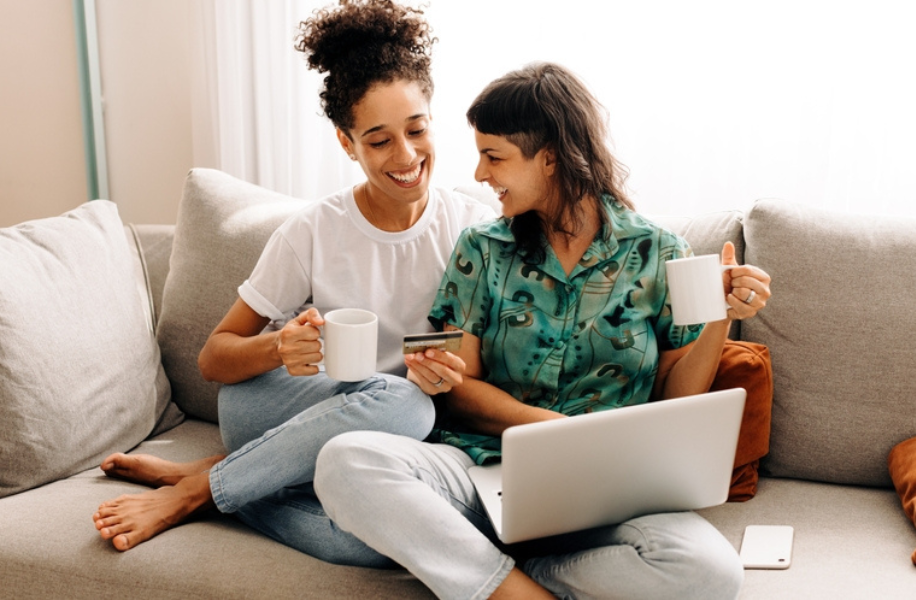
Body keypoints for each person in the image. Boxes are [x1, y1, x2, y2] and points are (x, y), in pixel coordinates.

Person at [313, 62, 772, 599]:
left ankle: (495, 572)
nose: (480, 174)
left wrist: (720, 318)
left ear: (550, 156)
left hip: (606, 489)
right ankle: (509, 591)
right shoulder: (481, 249)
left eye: (494, 156)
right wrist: (555, 430)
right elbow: (461, 393)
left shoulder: (657, 252)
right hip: (484, 470)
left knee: (711, 573)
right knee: (346, 460)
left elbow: (677, 395)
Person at [91, 0, 491, 560]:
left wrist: (458, 373)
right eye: (378, 140)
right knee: (408, 406)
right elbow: (214, 358)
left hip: (379, 436)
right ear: (346, 143)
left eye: (417, 129)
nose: (406, 155)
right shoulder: (314, 230)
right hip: (279, 408)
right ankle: (202, 490)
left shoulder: (473, 229)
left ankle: (227, 484)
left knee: (378, 538)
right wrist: (279, 346)